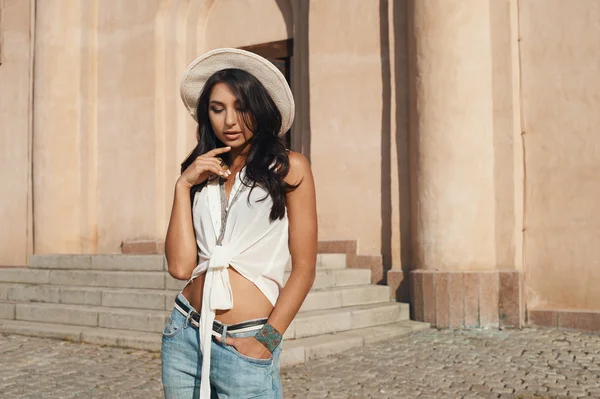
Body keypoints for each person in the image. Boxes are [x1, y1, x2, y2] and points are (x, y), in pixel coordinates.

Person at [161, 48, 318, 399]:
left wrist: (267, 341)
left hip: (246, 341)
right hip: (184, 332)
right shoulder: (200, 176)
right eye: (218, 109)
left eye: (241, 107)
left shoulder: (290, 168)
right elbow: (180, 266)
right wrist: (182, 186)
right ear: (207, 115)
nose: (230, 121)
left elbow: (305, 268)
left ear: (259, 109)